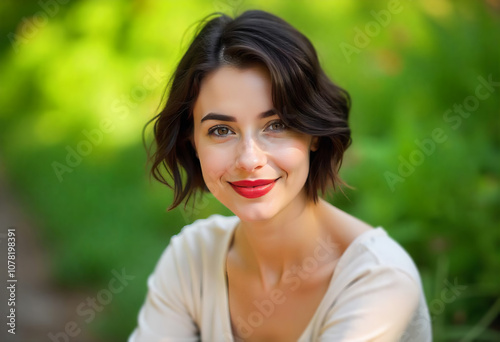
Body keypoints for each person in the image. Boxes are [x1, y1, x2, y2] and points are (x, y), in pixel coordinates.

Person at [128, 9, 432, 342]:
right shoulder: (192, 258)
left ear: (313, 133)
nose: (249, 159)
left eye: (277, 125)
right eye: (220, 130)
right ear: (193, 142)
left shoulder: (378, 279)